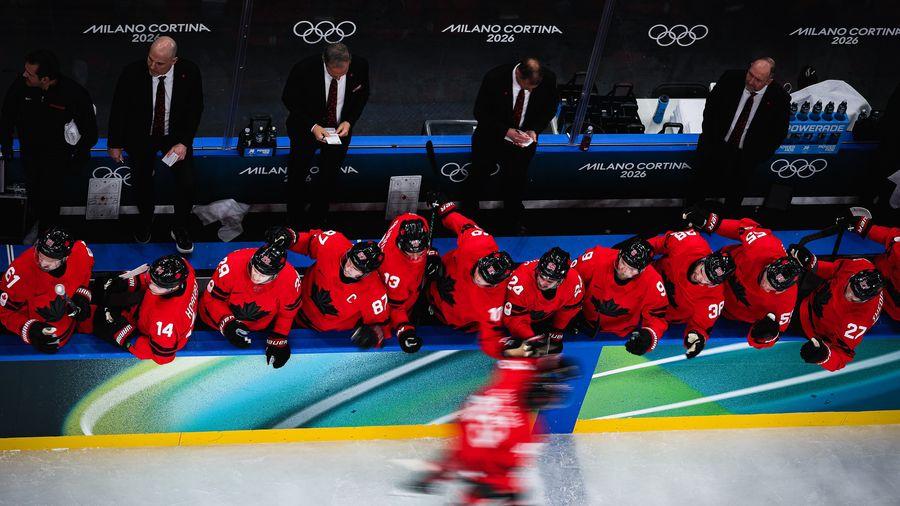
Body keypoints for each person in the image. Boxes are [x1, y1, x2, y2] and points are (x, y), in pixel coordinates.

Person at [401, 353, 580, 504]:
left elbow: (517, 359)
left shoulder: (512, 379)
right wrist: (497, 485)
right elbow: (505, 466)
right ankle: (452, 483)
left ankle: (437, 475)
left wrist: (554, 364)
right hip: (477, 444)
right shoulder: (524, 430)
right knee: (488, 484)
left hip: (469, 420)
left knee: (461, 461)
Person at [108, 36, 204, 253]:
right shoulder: (132, 72)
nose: (152, 66)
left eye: (159, 63)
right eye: (150, 59)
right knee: (142, 181)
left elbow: (195, 108)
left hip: (174, 137)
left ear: (174, 61)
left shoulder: (189, 72)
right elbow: (118, 108)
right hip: (141, 136)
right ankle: (145, 220)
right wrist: (115, 143)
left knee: (187, 182)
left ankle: (180, 227)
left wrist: (184, 142)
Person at [0, 49, 98, 232]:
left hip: (58, 160)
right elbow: (7, 116)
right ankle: (34, 224)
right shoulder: (20, 86)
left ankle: (46, 234)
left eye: (29, 73)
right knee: (34, 195)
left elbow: (90, 132)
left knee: (52, 201)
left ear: (45, 78)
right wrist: (6, 145)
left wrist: (79, 157)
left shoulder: (74, 94)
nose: (24, 75)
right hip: (29, 156)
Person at [683, 206, 802, 348]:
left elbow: (769, 339)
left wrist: (763, 335)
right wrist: (712, 223)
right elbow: (743, 228)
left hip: (725, 310)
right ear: (770, 265)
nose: (765, 284)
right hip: (711, 267)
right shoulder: (764, 245)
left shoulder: (785, 303)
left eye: (772, 287)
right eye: (767, 277)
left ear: (781, 291)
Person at [267, 226, 389, 363]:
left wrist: (372, 335)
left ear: (367, 273)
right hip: (293, 312)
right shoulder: (333, 243)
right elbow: (309, 243)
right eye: (350, 260)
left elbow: (381, 327)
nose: (348, 267)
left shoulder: (375, 294)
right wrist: (290, 237)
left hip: (328, 336)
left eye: (356, 268)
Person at [466, 57, 559, 234]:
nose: (531, 90)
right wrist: (506, 131)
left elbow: (550, 109)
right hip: (491, 137)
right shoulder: (495, 78)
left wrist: (534, 129)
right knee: (478, 178)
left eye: (535, 87)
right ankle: (469, 222)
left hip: (523, 141)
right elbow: (480, 112)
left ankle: (512, 220)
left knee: (516, 181)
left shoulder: (548, 78)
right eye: (528, 86)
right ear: (518, 73)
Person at [282, 42, 369, 228]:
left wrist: (349, 121)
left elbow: (363, 95)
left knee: (328, 176)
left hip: (339, 131)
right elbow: (288, 99)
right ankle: (294, 219)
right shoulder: (304, 69)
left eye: (342, 73)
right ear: (324, 61)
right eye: (333, 74)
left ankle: (318, 217)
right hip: (305, 130)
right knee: (297, 174)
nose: (338, 77)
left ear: (349, 61)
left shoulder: (360, 66)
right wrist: (312, 126)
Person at [695, 58, 790, 214]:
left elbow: (778, 133)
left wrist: (757, 156)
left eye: (758, 80)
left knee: (735, 196)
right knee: (698, 186)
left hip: (745, 157)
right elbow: (711, 107)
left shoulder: (780, 98)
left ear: (768, 81)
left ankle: (728, 222)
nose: (751, 81)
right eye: (750, 74)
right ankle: (690, 217)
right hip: (715, 146)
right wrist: (709, 137)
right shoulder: (730, 78)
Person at [424, 196, 514, 336]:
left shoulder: (502, 299)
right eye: (480, 271)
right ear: (482, 260)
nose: (477, 278)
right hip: (431, 286)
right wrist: (444, 208)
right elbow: (462, 224)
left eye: (484, 280)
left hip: (455, 325)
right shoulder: (478, 243)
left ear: (496, 285)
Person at [199, 244, 302, 365]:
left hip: (258, 330)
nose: (256, 277)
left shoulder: (290, 280)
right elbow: (212, 299)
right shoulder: (232, 264)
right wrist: (227, 324)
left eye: (263, 275)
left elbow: (287, 314)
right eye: (255, 270)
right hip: (214, 324)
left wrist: (279, 337)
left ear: (276, 274)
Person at [788, 246, 884, 372]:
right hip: (809, 298)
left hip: (810, 328)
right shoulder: (861, 265)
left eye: (855, 297)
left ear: (866, 300)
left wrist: (824, 356)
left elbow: (842, 358)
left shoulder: (857, 324)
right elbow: (835, 270)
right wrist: (813, 265)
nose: (848, 295)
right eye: (850, 287)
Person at [0, 227, 93, 353]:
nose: (43, 263)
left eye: (50, 260)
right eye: (41, 256)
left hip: (69, 327)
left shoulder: (80, 252)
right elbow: (4, 311)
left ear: (65, 257)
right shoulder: (20, 272)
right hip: (32, 340)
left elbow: (85, 272)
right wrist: (29, 329)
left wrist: (81, 294)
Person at [570, 237, 669, 356]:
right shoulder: (596, 258)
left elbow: (657, 318)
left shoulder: (653, 282)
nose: (623, 270)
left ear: (642, 270)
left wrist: (649, 336)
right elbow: (569, 280)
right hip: (582, 323)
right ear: (620, 253)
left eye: (631, 269)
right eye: (623, 262)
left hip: (622, 335)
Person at [93, 254, 198, 364]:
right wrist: (127, 281)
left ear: (174, 287)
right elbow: (156, 278)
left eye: (157, 285)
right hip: (147, 314)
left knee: (98, 319)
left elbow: (163, 358)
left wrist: (128, 337)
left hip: (149, 332)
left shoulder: (166, 322)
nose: (151, 286)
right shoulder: (183, 267)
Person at [648, 228, 736, 359]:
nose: (699, 278)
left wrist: (696, 337)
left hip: (660, 315)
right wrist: (643, 253)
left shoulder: (714, 299)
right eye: (702, 271)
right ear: (704, 259)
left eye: (707, 280)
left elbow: (701, 327)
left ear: (714, 284)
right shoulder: (690, 242)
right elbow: (658, 244)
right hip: (643, 281)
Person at [496, 247, 583, 358]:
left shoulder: (574, 282)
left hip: (546, 317)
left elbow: (569, 310)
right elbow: (513, 318)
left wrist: (557, 330)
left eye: (549, 281)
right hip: (519, 318)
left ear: (561, 280)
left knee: (554, 348)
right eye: (541, 276)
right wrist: (530, 338)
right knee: (516, 348)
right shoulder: (520, 280)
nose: (542, 283)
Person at [377, 213, 431, 353]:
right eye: (410, 253)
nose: (415, 257)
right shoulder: (394, 272)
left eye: (420, 252)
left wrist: (432, 255)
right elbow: (396, 309)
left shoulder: (411, 221)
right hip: (398, 295)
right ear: (400, 245)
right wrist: (404, 331)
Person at [841, 208, 898, 321]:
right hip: (878, 273)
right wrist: (866, 227)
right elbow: (892, 237)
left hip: (884, 297)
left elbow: (893, 241)